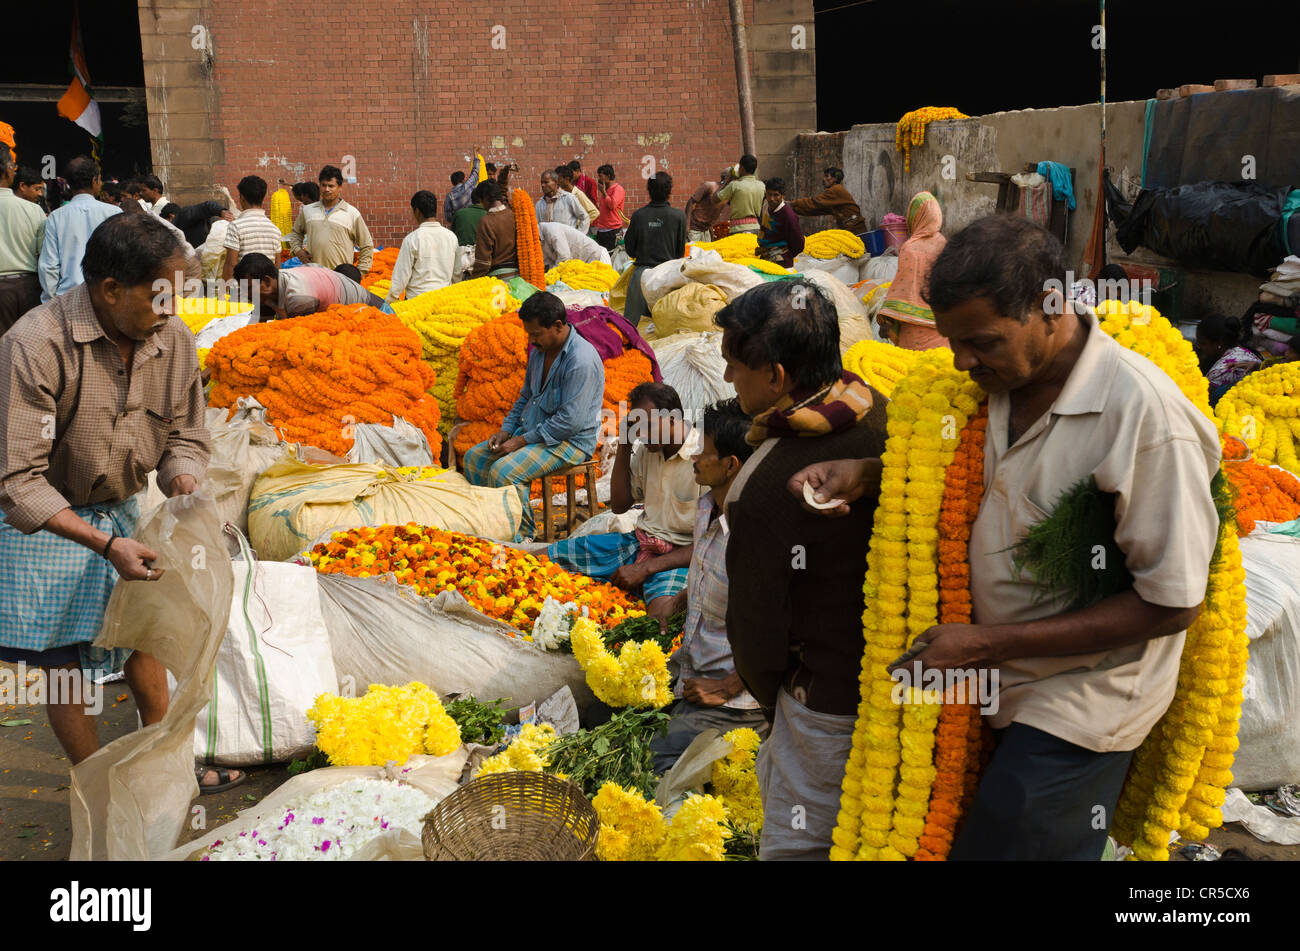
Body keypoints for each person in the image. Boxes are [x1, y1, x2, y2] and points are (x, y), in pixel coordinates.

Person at [792, 215, 1222, 861]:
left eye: (982, 342)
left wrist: (988, 643)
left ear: (1051, 308)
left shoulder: (1143, 416)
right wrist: (873, 474)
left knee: (1017, 832)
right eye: (954, 341)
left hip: (1084, 689)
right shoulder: (983, 388)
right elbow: (977, 480)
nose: (963, 361)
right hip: (978, 669)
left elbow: (1173, 600)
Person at [0, 214, 243, 793]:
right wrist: (104, 545)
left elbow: (185, 434)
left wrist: (185, 483)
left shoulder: (174, 340)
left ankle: (170, 770)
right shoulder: (34, 346)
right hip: (48, 522)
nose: (172, 310)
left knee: (143, 636)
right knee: (64, 665)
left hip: (122, 509)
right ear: (111, 290)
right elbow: (18, 481)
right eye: (161, 296)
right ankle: (96, 786)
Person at [713, 279, 886, 860]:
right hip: (900, 679)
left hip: (825, 702)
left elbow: (755, 632)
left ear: (778, 378)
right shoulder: (877, 409)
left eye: (736, 367)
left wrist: (774, 698)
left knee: (801, 843)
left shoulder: (764, 487)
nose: (729, 379)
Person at [649, 398, 770, 774]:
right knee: (603, 713)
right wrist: (680, 600)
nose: (694, 457)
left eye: (703, 451)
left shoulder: (756, 536)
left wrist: (728, 687)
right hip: (691, 669)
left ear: (731, 464)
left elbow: (782, 630)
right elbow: (712, 578)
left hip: (733, 699)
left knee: (656, 763)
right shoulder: (706, 508)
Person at [548, 381, 702, 616]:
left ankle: (660, 590)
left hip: (679, 558)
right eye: (637, 427)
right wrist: (625, 443)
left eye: (648, 426)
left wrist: (645, 568)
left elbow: (708, 543)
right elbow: (620, 506)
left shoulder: (703, 457)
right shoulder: (649, 448)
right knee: (547, 557)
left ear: (673, 419)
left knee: (661, 617)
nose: (642, 434)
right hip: (640, 543)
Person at [461, 292, 605, 536]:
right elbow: (526, 396)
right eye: (529, 333)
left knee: (505, 472)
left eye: (535, 334)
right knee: (474, 459)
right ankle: (492, 527)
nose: (531, 340)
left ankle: (523, 537)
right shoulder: (539, 351)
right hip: (536, 431)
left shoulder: (580, 360)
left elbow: (570, 422)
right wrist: (506, 431)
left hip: (570, 442)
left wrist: (520, 441)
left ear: (558, 326)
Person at [37, 156, 121, 302]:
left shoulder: (56, 217)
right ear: (95, 180)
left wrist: (50, 301)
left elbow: (49, 266)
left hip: (69, 296)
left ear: (68, 184)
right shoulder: (114, 213)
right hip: (108, 296)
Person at [877, 191, 949, 351]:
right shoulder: (945, 244)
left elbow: (903, 288)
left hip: (914, 329)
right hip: (942, 327)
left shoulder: (910, 247)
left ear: (915, 217)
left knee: (912, 369)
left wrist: (886, 321)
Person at [233, 253, 387, 319]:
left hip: (379, 315)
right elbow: (259, 326)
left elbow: (296, 337)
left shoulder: (299, 297)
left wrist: (279, 311)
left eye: (249, 289)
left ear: (266, 282)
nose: (247, 295)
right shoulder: (276, 283)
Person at [622, 171, 686, 325]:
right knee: (664, 327)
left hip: (641, 276)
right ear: (669, 191)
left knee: (632, 327)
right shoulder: (678, 216)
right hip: (668, 276)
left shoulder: (639, 216)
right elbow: (680, 253)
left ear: (648, 190)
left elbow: (630, 249)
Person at [287, 164, 374, 272]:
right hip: (313, 275)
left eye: (331, 186)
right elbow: (296, 233)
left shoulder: (352, 213)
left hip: (341, 278)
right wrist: (298, 251)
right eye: (323, 185)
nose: (326, 189)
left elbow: (367, 245)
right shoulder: (308, 210)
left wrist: (360, 272)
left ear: (340, 187)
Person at [0, 144, 46, 333]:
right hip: (28, 287)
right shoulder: (34, 210)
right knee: (30, 345)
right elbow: (44, 254)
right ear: (9, 169)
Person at [387, 189, 458, 301]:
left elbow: (401, 276)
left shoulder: (412, 239)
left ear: (417, 211)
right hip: (444, 300)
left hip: (417, 301)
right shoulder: (451, 237)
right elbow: (457, 273)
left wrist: (390, 300)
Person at [220, 175, 285, 281]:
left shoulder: (236, 226)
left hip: (244, 289)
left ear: (242, 198)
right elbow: (277, 265)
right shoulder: (275, 229)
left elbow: (231, 264)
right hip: (266, 289)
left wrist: (225, 292)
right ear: (263, 198)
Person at [1195, 313, 1262, 406]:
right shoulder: (1241, 350)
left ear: (1219, 343)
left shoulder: (1222, 371)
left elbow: (1199, 398)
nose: (1199, 347)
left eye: (1202, 343)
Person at [790, 167, 866, 234]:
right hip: (849, 230)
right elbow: (816, 210)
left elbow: (814, 202)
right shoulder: (833, 198)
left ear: (835, 178)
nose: (824, 179)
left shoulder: (836, 189)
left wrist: (791, 203)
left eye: (827, 176)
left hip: (855, 229)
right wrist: (794, 210)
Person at [469, 181, 520, 279]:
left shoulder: (486, 221)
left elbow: (483, 260)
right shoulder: (513, 215)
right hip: (518, 275)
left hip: (497, 278)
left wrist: (474, 280)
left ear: (485, 199)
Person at [756, 177, 804, 269]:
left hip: (782, 262)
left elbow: (799, 244)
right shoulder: (766, 204)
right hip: (765, 257)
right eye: (769, 194)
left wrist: (785, 253)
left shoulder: (788, 215)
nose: (771, 199)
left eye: (776, 195)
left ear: (783, 196)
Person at [158, 196, 233, 249]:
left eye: (165, 222)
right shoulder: (176, 235)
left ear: (171, 217)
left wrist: (222, 211)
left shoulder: (183, 215)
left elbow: (207, 206)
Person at [717, 155, 764, 234]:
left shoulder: (734, 185)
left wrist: (726, 181)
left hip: (738, 229)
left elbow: (715, 198)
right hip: (756, 227)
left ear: (742, 168)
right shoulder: (762, 185)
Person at [684, 171, 732, 244]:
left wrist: (711, 232)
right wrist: (687, 226)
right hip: (694, 229)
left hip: (706, 230)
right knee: (693, 253)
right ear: (726, 179)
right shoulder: (709, 186)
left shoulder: (727, 194)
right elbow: (690, 202)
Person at [539, 221, 610, 269]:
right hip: (581, 267)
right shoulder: (539, 239)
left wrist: (552, 274)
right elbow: (548, 262)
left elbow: (564, 257)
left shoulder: (552, 231)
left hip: (597, 259)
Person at [592, 164, 625, 252]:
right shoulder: (605, 190)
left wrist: (603, 192)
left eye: (600, 176)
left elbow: (612, 205)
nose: (598, 179)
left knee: (612, 257)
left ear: (608, 176)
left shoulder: (618, 189)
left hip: (613, 231)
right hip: (602, 230)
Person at [556, 165, 598, 233]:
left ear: (566, 179)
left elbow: (594, 212)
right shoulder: (561, 194)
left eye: (558, 179)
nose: (556, 182)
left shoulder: (578, 194)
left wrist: (578, 224)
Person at [452, 182, 490, 248]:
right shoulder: (489, 215)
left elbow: (452, 234)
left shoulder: (459, 213)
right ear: (483, 199)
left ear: (472, 200)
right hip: (482, 254)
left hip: (461, 254)